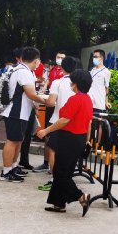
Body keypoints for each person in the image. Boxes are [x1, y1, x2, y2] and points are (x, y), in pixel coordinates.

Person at [36, 69, 93, 216]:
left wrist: (46, 131)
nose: (70, 83)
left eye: (72, 81)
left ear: (76, 83)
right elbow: (89, 123)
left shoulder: (75, 99)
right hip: (79, 139)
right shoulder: (88, 99)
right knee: (64, 171)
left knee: (60, 173)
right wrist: (87, 140)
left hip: (69, 138)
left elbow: (64, 120)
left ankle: (81, 196)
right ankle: (59, 203)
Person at [0, 47, 47, 182]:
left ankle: (13, 167)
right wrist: (46, 101)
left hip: (20, 112)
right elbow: (30, 94)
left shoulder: (21, 70)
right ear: (36, 60)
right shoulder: (24, 72)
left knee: (18, 141)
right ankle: (6, 172)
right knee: (12, 141)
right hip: (16, 112)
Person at [37, 56, 78, 190]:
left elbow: (50, 102)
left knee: (53, 150)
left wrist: (41, 99)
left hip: (57, 121)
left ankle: (55, 179)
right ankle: (66, 178)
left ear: (61, 67)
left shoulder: (57, 82)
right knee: (68, 151)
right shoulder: (79, 83)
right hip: (73, 123)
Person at [89, 49, 111, 114]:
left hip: (99, 104)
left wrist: (106, 102)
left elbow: (107, 88)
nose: (94, 58)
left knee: (98, 120)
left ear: (101, 58)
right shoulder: (92, 70)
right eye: (93, 57)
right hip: (90, 102)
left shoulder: (106, 72)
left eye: (96, 57)